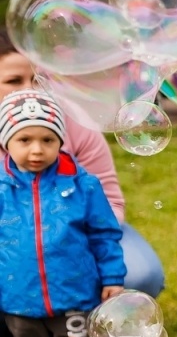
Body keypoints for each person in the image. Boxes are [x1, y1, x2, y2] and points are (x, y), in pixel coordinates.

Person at [0, 90, 125, 337]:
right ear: (6, 141)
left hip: (73, 294)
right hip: (19, 299)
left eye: (47, 139)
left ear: (60, 141)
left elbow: (104, 233)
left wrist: (112, 277)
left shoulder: (82, 184)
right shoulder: (1, 188)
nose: (36, 150)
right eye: (24, 139)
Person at [0, 32, 164, 296]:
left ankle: (91, 323)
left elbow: (111, 201)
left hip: (82, 234)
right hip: (10, 245)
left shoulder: (75, 124)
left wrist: (70, 244)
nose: (29, 90)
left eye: (37, 80)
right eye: (13, 81)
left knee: (140, 275)